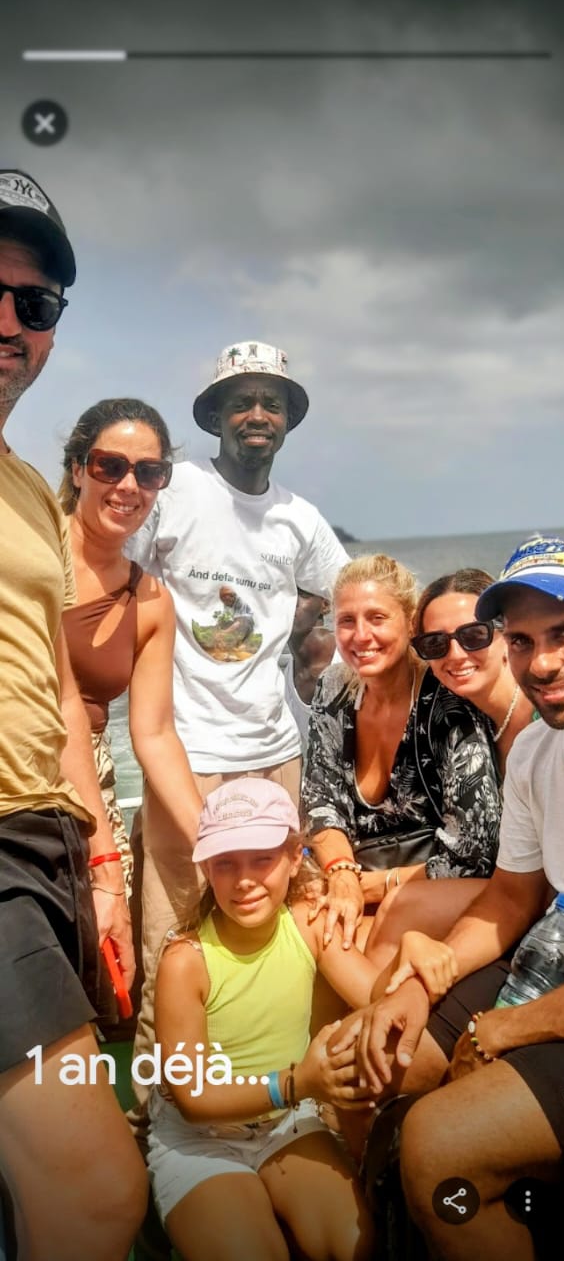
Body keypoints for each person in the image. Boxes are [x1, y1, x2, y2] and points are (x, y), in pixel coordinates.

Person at [332, 535, 564, 1261]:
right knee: (356, 1063)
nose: (543, 662)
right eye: (524, 640)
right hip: (554, 950)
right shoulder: (538, 752)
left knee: (440, 1149)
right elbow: (510, 898)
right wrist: (420, 982)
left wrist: (505, 1029)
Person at [128, 340, 348, 1100]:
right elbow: (115, 580)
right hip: (187, 754)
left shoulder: (299, 519)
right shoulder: (175, 492)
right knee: (174, 938)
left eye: (272, 403)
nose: (258, 414)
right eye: (242, 401)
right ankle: (159, 1118)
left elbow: (344, 590)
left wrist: (297, 629)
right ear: (216, 416)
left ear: (287, 420)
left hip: (277, 753)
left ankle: (284, 1098)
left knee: (282, 927)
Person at [0, 169, 146, 1258]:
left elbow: (56, 689)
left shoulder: (26, 496)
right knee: (97, 1192)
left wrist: (98, 866)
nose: (9, 321)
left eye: (34, 302)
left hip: (45, 837)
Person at [147, 777, 377, 1261]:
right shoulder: (185, 961)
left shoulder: (308, 923)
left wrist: (418, 961)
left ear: (295, 857)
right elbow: (193, 1098)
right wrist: (298, 1083)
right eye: (225, 863)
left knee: (355, 1245)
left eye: (262, 859)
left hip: (286, 1124)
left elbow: (378, 997)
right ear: (206, 868)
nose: (244, 879)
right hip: (199, 1141)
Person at [302, 554, 502, 949]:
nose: (361, 635)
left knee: (330, 942)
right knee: (301, 926)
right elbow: (321, 800)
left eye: (377, 618)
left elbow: (472, 852)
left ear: (411, 623)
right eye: (346, 621)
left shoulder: (445, 699)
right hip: (358, 879)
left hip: (430, 895)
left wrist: (366, 887)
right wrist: (340, 871)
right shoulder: (334, 689)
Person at [59, 397, 202, 899]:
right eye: (110, 466)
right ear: (78, 469)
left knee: (104, 941)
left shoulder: (151, 601)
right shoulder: (30, 553)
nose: (128, 486)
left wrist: (214, 844)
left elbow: (155, 734)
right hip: (18, 771)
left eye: (148, 472)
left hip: (93, 788)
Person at [366, 567, 534, 976]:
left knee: (403, 906)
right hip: (511, 885)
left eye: (473, 635)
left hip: (541, 896)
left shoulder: (542, 717)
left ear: (504, 634)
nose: (455, 655)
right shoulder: (468, 720)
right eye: (435, 643)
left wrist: (386, 882)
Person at [282, 588, 335, 758]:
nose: (292, 601)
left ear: (325, 604)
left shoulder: (350, 663)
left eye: (303, 594)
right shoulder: (284, 677)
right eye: (286, 592)